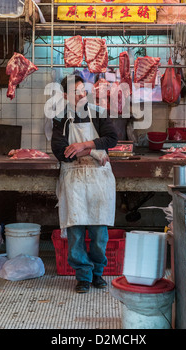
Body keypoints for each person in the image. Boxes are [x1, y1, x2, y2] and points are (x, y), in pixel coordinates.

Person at [51, 75, 118, 294]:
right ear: (64, 96)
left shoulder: (98, 112)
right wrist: (88, 152)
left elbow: (112, 139)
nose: (81, 95)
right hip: (74, 179)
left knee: (99, 233)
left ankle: (98, 273)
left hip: (99, 178)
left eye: (82, 90)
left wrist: (86, 147)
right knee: (76, 232)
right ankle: (83, 276)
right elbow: (60, 150)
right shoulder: (60, 117)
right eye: (75, 92)